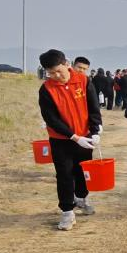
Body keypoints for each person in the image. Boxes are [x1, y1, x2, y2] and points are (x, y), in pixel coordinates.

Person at [37, 49, 102, 231]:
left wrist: (96, 130)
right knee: (64, 174)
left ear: (66, 64)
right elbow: (51, 119)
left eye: (59, 71)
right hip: (61, 140)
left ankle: (81, 197)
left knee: (83, 171)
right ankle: (67, 211)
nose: (56, 76)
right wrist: (74, 137)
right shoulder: (46, 90)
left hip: (85, 136)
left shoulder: (83, 80)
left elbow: (93, 106)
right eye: (51, 73)